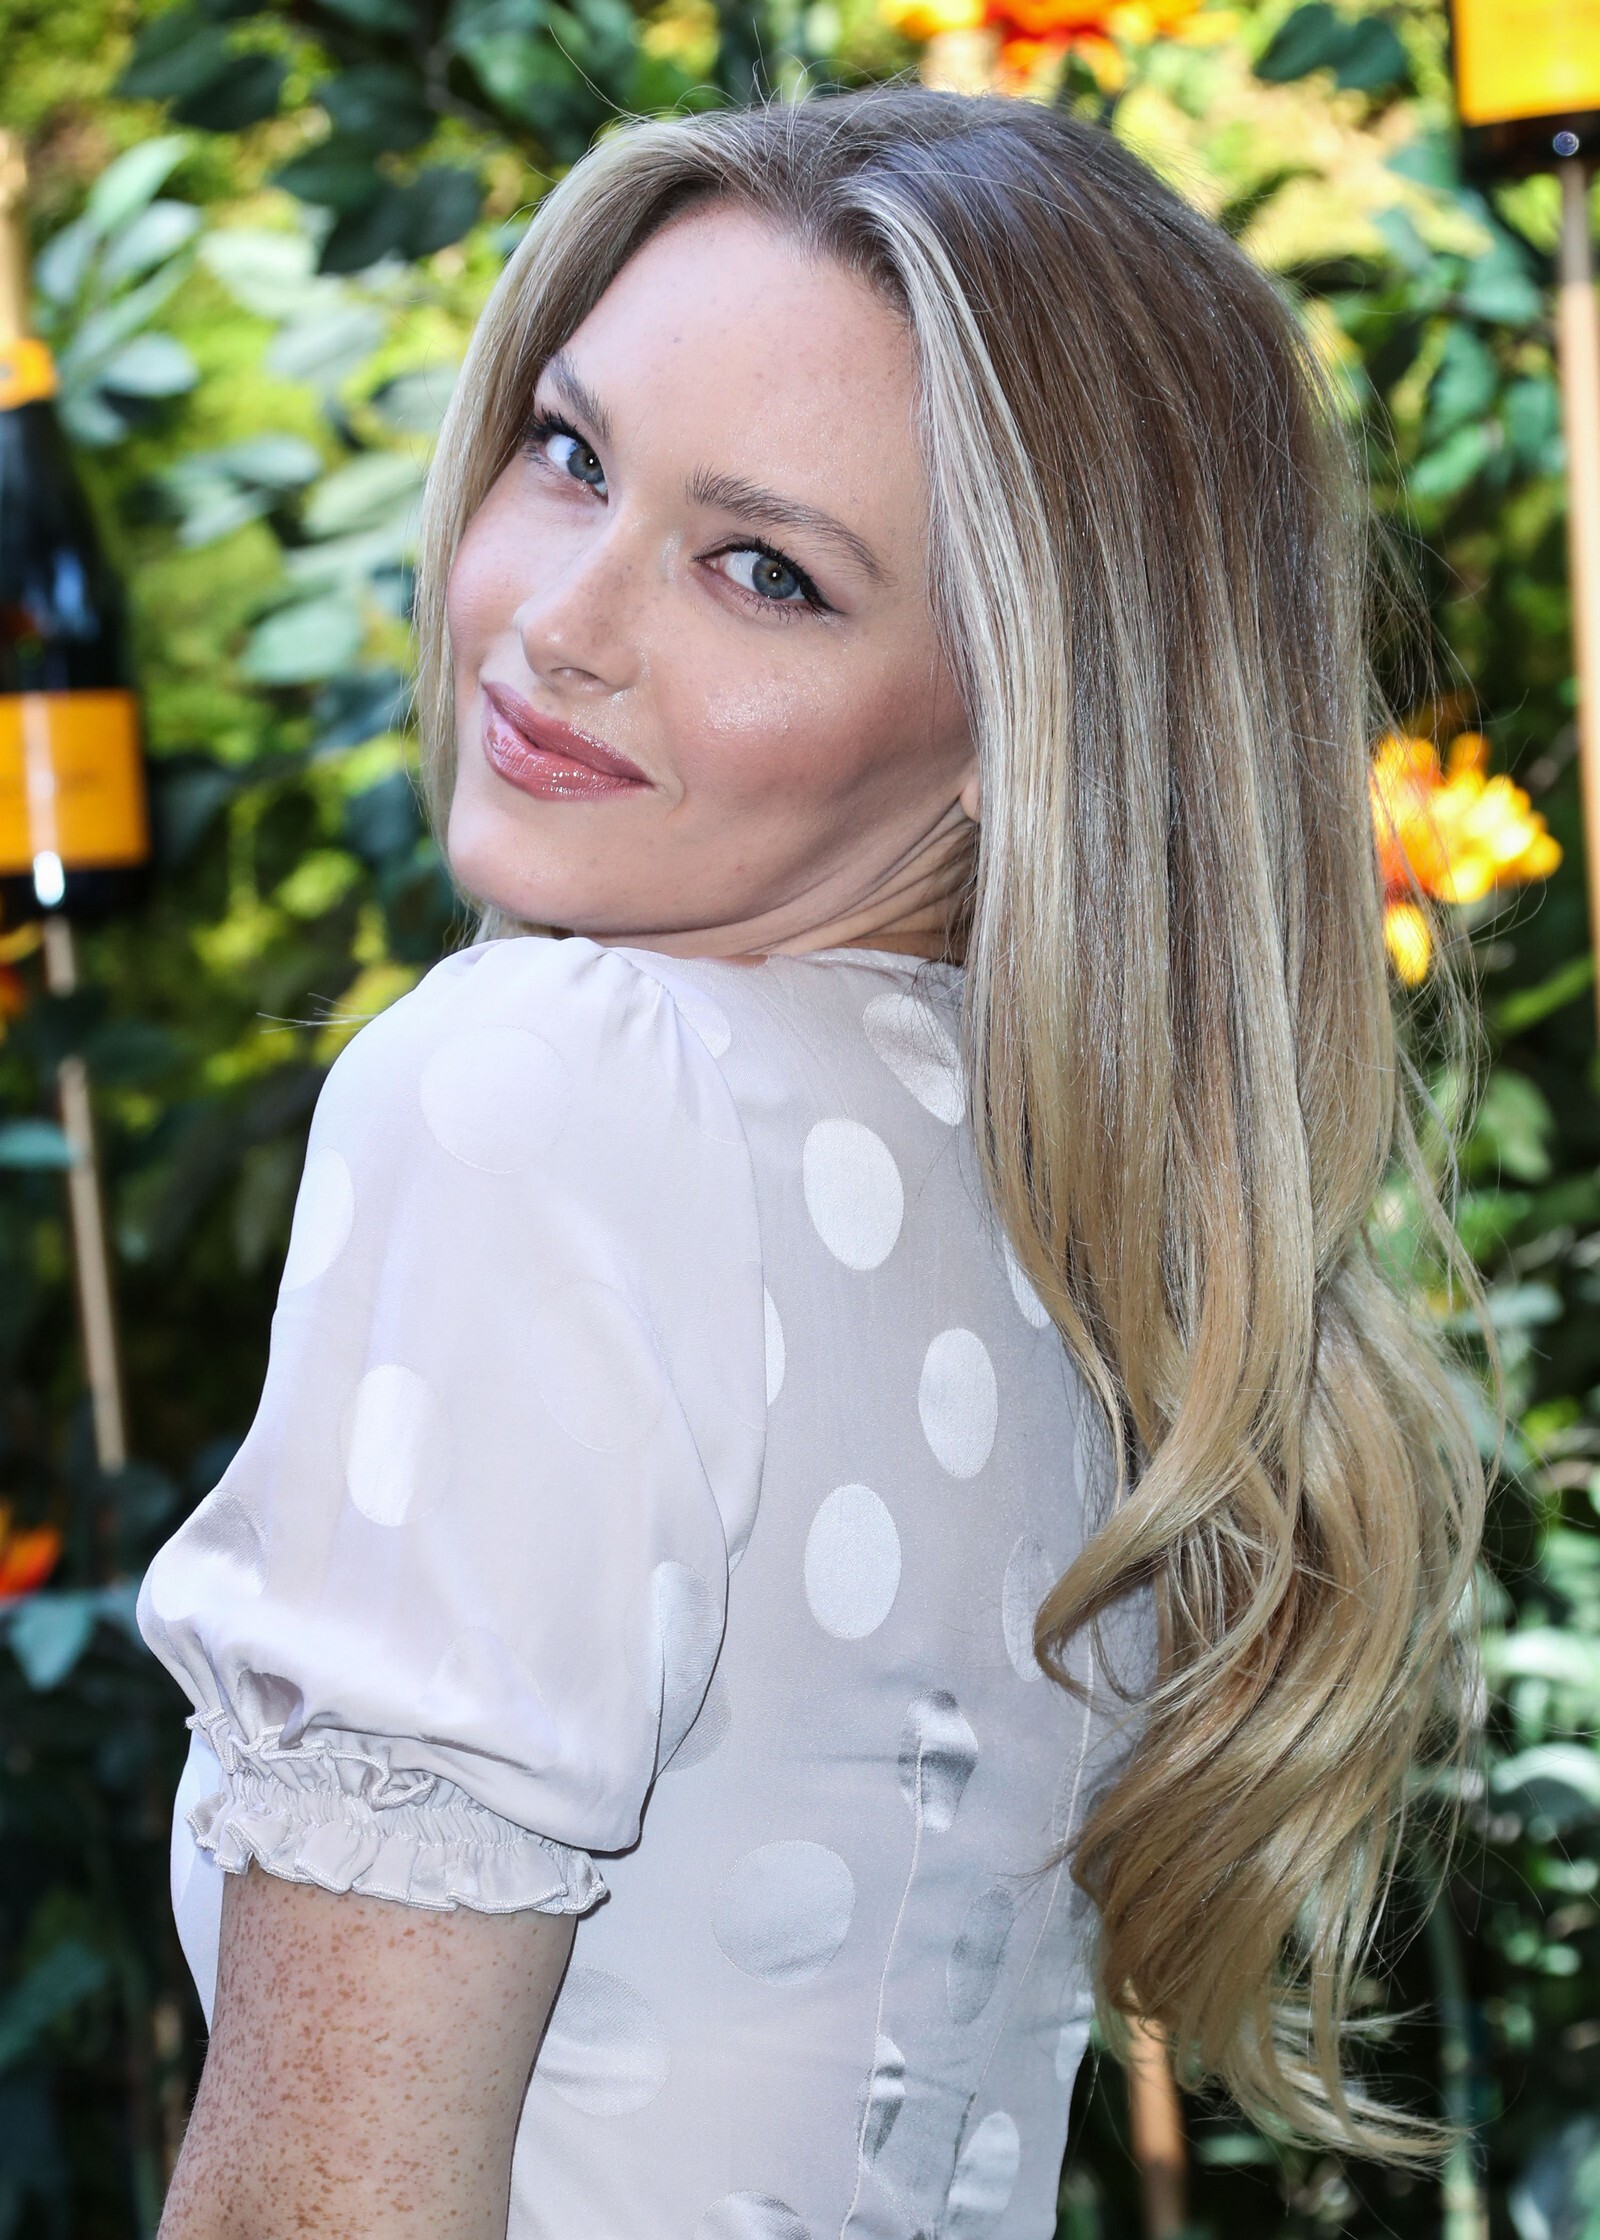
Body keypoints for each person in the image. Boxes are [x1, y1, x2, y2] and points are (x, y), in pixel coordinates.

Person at [140, 87, 1487, 2240]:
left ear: (1014, 728)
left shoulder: (549, 1105)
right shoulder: (1053, 1220)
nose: (561, 619)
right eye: (570, 453)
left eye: (762, 572)